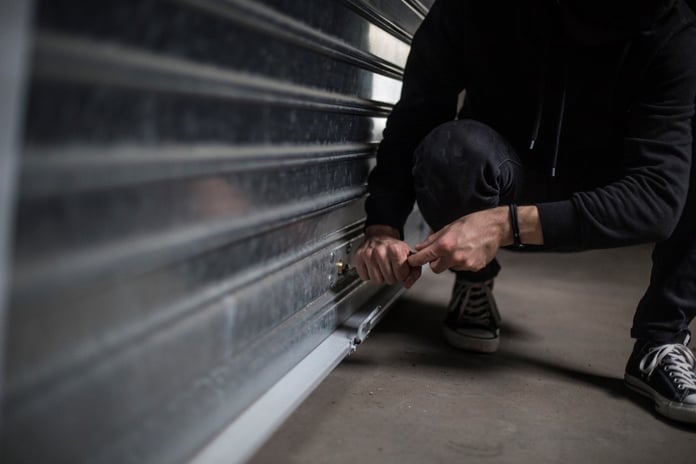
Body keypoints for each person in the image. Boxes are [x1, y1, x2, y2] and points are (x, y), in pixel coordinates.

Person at [354, 0, 696, 424]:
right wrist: (382, 226)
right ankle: (473, 281)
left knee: (684, 166)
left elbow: (658, 198)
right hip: (501, 176)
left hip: (604, 192)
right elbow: (417, 114)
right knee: (452, 151)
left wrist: (506, 225)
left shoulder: (668, 26)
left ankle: (660, 341)